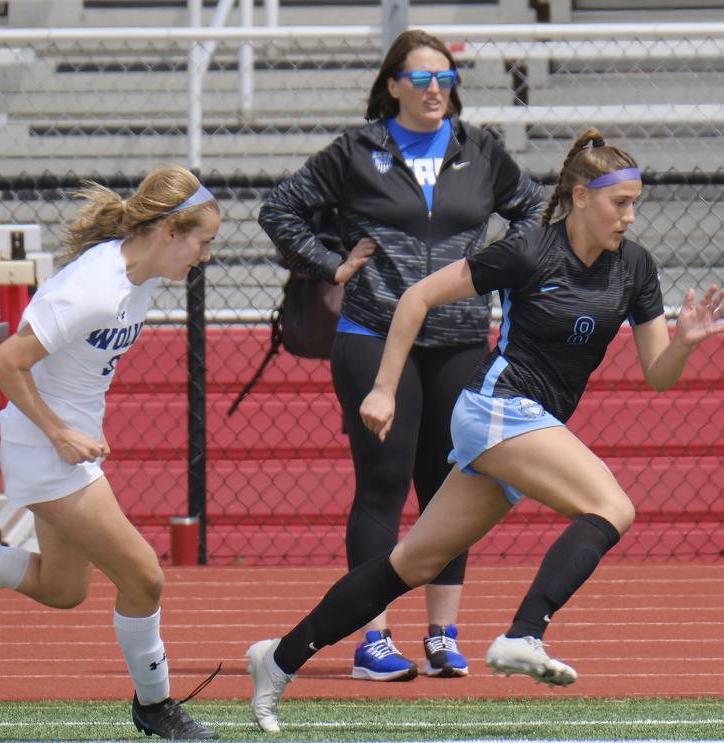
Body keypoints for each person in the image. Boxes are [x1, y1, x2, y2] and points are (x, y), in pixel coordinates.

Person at [244, 127, 724, 732]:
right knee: (612, 505)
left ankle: (279, 658)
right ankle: (524, 634)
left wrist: (684, 343)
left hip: (531, 421)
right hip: (496, 406)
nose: (630, 216)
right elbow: (418, 297)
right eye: (620, 203)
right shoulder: (528, 250)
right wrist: (383, 387)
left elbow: (658, 374)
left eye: (636, 203)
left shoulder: (634, 267)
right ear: (580, 197)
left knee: (412, 564)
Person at [258, 28, 544, 682]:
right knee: (383, 483)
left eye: (446, 78)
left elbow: (532, 210)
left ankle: (443, 633)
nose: (435, 89)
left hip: (462, 339)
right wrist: (332, 265)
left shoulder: (481, 150)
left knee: (452, 485)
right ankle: (373, 638)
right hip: (373, 339)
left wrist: (501, 264)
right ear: (393, 85)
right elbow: (281, 210)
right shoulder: (357, 151)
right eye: (420, 79)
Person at [0, 166, 220, 740]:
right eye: (203, 243)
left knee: (62, 590)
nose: (205, 257)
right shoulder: (95, 290)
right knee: (145, 577)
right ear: (170, 234)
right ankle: (155, 706)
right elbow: (4, 363)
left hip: (60, 446)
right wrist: (61, 433)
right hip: (48, 450)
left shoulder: (137, 272)